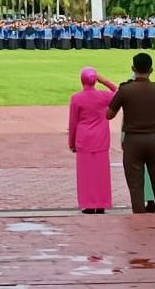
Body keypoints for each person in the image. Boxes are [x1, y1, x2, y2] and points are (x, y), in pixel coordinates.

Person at [106, 53, 155, 213]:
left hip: (133, 139)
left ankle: (140, 216)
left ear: (133, 69)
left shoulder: (125, 89)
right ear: (151, 69)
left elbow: (109, 114)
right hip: (154, 138)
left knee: (135, 184)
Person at [67, 67, 118, 214]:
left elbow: (73, 123)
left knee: (86, 174)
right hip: (101, 138)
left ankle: (88, 203)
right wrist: (105, 81)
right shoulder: (104, 96)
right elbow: (119, 93)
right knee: (101, 173)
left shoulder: (76, 98)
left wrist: (71, 142)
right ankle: (101, 202)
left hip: (84, 139)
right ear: (95, 81)